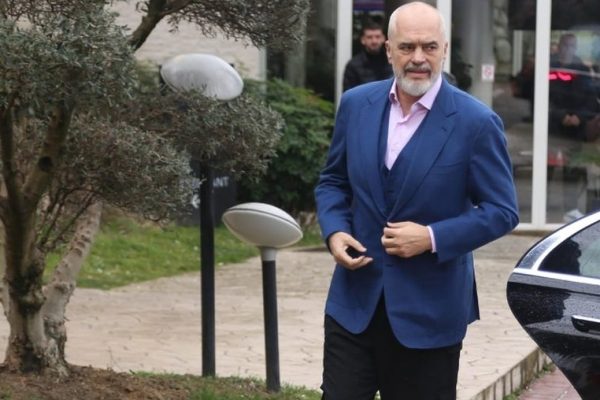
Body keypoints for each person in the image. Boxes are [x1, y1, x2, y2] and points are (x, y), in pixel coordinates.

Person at [314, 3, 519, 399]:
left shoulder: (476, 123)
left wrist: (431, 237)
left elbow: (502, 211)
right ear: (389, 50)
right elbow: (334, 181)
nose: (418, 58)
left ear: (444, 49)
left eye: (429, 47)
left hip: (431, 313)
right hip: (354, 305)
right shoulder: (356, 104)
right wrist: (335, 231)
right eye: (407, 47)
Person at [342, 21, 393, 91]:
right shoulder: (353, 66)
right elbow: (349, 94)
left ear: (383, 39)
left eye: (378, 37)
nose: (374, 41)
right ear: (363, 40)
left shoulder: (391, 62)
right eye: (369, 37)